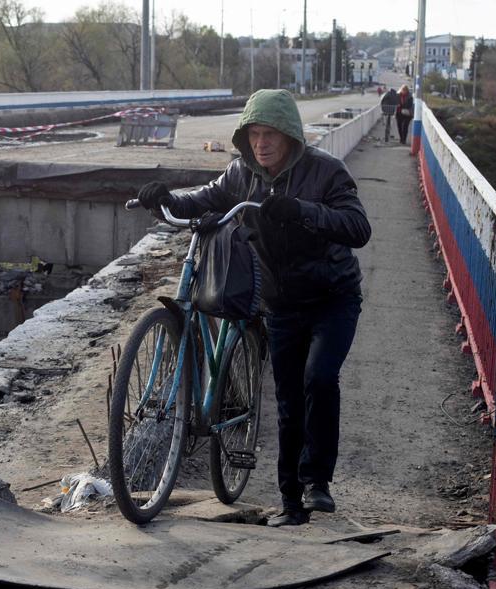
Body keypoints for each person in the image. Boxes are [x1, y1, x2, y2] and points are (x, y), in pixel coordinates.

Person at [135, 89, 371, 527]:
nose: (261, 144)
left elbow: (358, 228)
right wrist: (164, 198)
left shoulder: (326, 172)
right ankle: (291, 504)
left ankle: (317, 482)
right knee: (286, 400)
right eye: (254, 135)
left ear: (290, 137)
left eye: (270, 135)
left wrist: (300, 210)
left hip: (332, 299)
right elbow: (203, 199)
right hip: (282, 305)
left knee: (318, 378)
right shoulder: (241, 175)